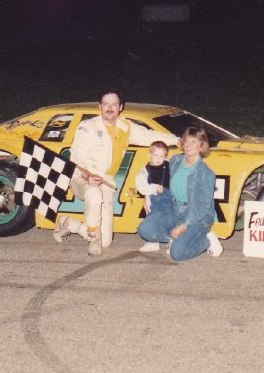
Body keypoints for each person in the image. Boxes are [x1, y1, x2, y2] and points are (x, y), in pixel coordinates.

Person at [53, 90, 179, 256]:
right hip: (81, 177)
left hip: (106, 181)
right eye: (106, 104)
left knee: (107, 242)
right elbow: (74, 161)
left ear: (120, 107)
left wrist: (177, 140)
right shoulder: (87, 127)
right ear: (100, 106)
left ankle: (68, 224)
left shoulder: (125, 127)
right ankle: (94, 238)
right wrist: (87, 176)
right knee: (93, 193)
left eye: (114, 104)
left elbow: (149, 136)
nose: (110, 108)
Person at [137, 126, 223, 260]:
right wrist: (147, 196)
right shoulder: (175, 161)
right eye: (186, 141)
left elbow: (201, 207)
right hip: (174, 209)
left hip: (197, 215)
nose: (188, 145)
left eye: (193, 142)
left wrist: (184, 226)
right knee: (144, 229)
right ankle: (176, 238)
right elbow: (158, 179)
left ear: (201, 146)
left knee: (177, 254)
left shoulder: (206, 173)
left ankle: (207, 240)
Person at [135, 142, 171, 253]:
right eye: (156, 155)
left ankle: (173, 240)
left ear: (165, 157)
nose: (158, 159)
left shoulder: (170, 165)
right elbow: (141, 185)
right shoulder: (145, 170)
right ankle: (152, 242)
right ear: (149, 154)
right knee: (152, 217)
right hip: (153, 199)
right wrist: (154, 188)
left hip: (169, 198)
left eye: (162, 156)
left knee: (169, 219)